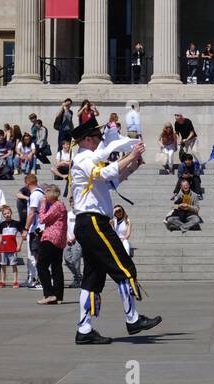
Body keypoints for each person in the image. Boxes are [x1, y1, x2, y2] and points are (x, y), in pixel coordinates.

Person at [66, 117, 159, 344]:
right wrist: (131, 155)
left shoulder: (88, 159)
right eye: (97, 136)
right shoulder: (84, 158)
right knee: (124, 267)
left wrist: (132, 164)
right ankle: (133, 319)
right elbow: (105, 174)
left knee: (93, 278)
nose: (100, 140)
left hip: (91, 223)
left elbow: (111, 181)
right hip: (93, 222)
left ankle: (85, 330)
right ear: (87, 139)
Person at [37, 185, 68, 305]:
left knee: (42, 265)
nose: (44, 196)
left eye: (46, 193)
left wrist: (43, 204)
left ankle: (49, 294)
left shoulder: (56, 205)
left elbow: (42, 219)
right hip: (59, 239)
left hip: (51, 238)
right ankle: (58, 296)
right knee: (56, 267)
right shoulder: (61, 205)